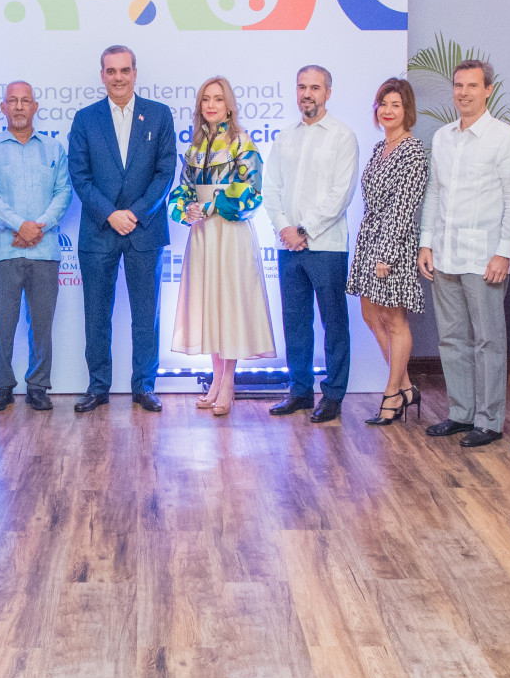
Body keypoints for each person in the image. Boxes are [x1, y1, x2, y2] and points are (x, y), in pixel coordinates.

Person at [418, 59, 510, 448]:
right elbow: (434, 192)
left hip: (484, 258)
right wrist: (426, 242)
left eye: (472, 86)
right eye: (458, 85)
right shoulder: (443, 137)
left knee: (488, 342)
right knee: (452, 339)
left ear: (488, 90)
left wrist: (503, 252)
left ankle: (489, 421)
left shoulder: (504, 137)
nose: (463, 93)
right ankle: (461, 413)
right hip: (445, 254)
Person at [68, 45, 179, 413]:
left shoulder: (159, 115)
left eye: (124, 70)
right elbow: (79, 175)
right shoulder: (85, 119)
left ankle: (144, 387)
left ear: (135, 73)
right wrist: (110, 214)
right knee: (96, 316)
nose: (118, 77)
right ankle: (98, 387)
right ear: (102, 75)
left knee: (147, 316)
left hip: (144, 231)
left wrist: (134, 212)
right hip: (99, 231)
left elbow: (165, 172)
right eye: (111, 71)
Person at [169, 76, 276, 415]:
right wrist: (187, 209)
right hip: (202, 234)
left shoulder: (241, 142)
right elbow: (183, 189)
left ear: (229, 105)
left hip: (230, 231)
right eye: (206, 99)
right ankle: (216, 379)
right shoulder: (194, 147)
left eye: (217, 98)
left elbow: (253, 190)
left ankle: (228, 382)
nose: (211, 104)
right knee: (210, 305)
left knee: (229, 304)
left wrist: (212, 205)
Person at [266, 65, 359, 425]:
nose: (307, 93)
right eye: (302, 87)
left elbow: (341, 193)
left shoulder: (342, 136)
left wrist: (304, 229)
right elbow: (271, 188)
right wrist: (285, 229)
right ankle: (300, 391)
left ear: (328, 93)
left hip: (326, 245)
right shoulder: (285, 137)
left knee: (333, 323)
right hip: (289, 247)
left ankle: (333, 395)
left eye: (315, 88)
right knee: (295, 322)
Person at [0, 80, 70, 413]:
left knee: (42, 326)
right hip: (3, 251)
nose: (18, 106)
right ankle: (1, 387)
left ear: (35, 107)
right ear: (3, 108)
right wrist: (20, 225)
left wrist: (37, 226)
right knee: (1, 326)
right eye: (12, 101)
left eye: (25, 100)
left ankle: (38, 386)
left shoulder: (54, 149)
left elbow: (64, 193)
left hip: (45, 251)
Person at [348, 78, 430, 426]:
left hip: (393, 243)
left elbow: (404, 207)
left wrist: (386, 253)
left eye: (395, 105)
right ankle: (406, 387)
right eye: (383, 104)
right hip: (370, 239)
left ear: (407, 110)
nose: (388, 110)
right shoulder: (379, 147)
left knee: (395, 320)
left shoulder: (413, 151)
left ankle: (392, 392)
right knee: (370, 314)